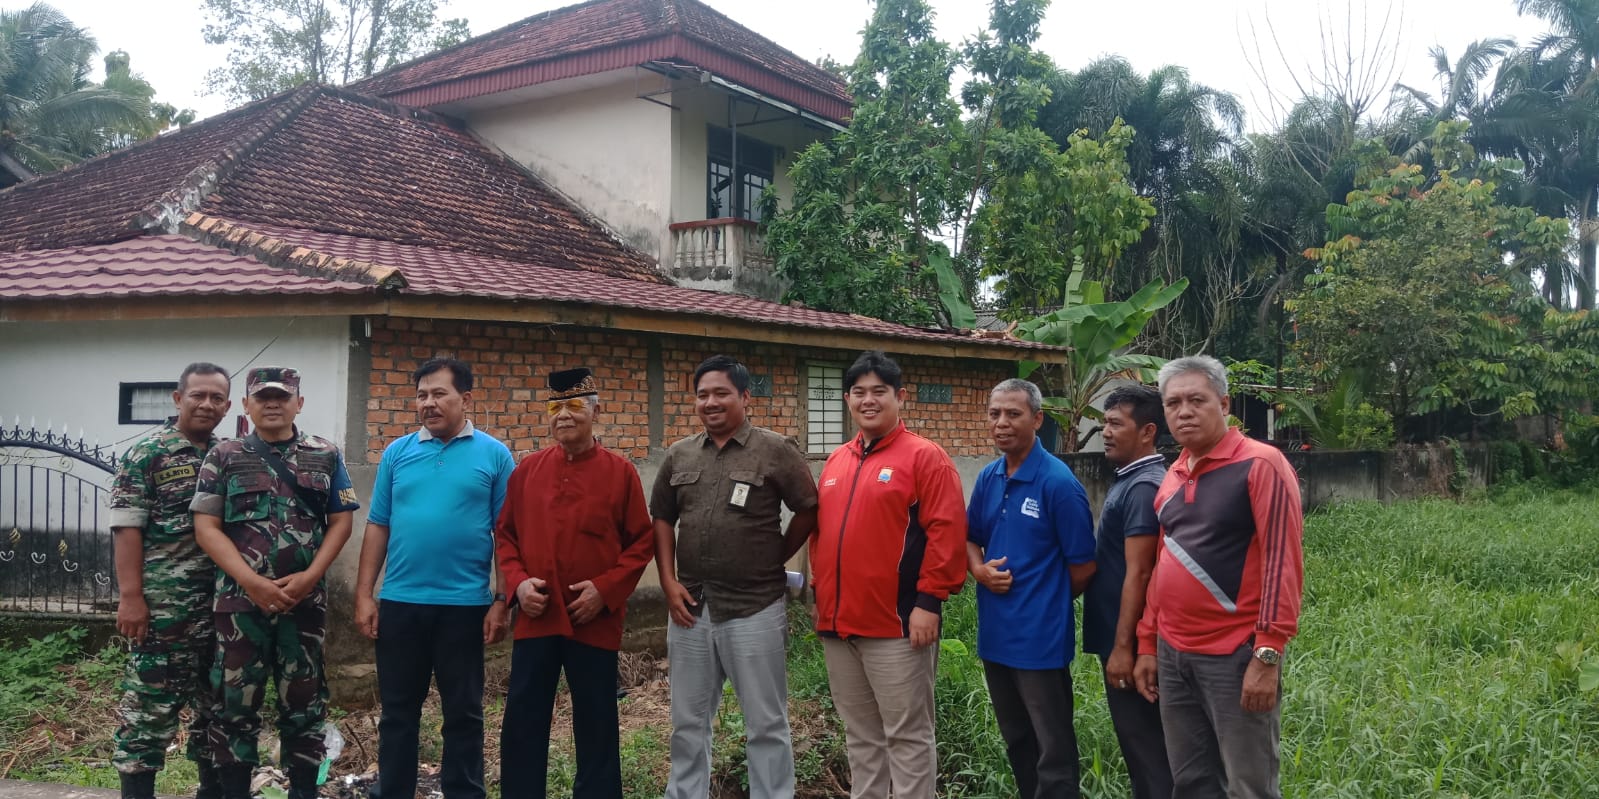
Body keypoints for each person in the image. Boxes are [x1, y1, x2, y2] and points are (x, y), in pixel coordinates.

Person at [1132, 356, 1304, 799]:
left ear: (1224, 403)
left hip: (1234, 654)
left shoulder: (1261, 465)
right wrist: (1149, 642)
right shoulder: (1173, 472)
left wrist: (1267, 656)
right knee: (1190, 782)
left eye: (1196, 400)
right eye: (1173, 403)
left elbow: (1282, 563)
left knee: (1249, 784)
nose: (1183, 411)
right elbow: (1164, 561)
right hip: (1174, 656)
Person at [651, 355, 819, 799]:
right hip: (690, 607)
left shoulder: (775, 450)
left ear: (745, 396)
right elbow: (663, 520)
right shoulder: (679, 454)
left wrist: (776, 556)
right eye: (702, 394)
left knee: (765, 722)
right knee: (688, 722)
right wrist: (668, 582)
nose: (711, 402)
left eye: (721, 392)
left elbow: (808, 508)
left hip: (754, 607)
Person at [192, 366, 360, 799]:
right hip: (239, 606)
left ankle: (303, 792)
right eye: (262, 397)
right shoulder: (225, 456)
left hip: (303, 606)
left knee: (304, 704)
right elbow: (207, 527)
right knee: (234, 706)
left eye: (282, 397)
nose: (272, 403)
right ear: (246, 405)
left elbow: (341, 521)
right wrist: (252, 582)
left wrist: (310, 576)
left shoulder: (325, 454)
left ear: (298, 404)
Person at [354, 357, 515, 799]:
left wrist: (502, 599)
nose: (428, 403)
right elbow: (378, 524)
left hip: (464, 606)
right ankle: (395, 791)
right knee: (398, 713)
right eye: (422, 395)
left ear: (465, 398)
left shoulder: (495, 455)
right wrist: (365, 595)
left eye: (439, 394)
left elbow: (507, 533)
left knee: (463, 712)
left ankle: (464, 791)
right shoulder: (397, 453)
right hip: (402, 603)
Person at [810, 350, 967, 799]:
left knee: (908, 736)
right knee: (860, 737)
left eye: (879, 391)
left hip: (898, 625)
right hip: (839, 627)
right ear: (847, 399)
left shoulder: (925, 458)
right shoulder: (837, 461)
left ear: (901, 397)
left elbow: (947, 534)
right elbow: (821, 536)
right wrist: (821, 594)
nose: (868, 400)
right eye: (859, 392)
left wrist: (929, 603)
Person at [495, 367, 654, 799]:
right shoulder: (527, 472)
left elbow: (642, 541)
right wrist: (518, 585)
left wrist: (605, 589)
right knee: (524, 722)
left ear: (595, 411)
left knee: (597, 724)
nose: (563, 415)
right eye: (555, 407)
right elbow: (505, 536)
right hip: (536, 618)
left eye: (574, 406)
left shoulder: (620, 474)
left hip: (593, 621)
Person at [965, 378, 1095, 798]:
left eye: (1013, 414)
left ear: (1037, 419)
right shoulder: (989, 477)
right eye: (994, 413)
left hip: (1039, 641)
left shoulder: (1058, 484)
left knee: (1052, 747)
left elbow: (1084, 566)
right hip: (995, 636)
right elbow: (970, 538)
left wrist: (1045, 600)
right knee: (1017, 738)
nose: (1001, 423)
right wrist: (979, 571)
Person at [109, 362, 233, 799]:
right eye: (198, 395)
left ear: (228, 406)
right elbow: (127, 527)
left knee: (217, 711)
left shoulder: (227, 455)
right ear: (178, 399)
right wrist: (130, 597)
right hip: (164, 612)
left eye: (216, 397)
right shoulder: (148, 454)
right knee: (149, 711)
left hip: (221, 611)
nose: (206, 404)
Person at [1081, 384, 1173, 798]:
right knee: (1143, 750)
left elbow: (1139, 574)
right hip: (1127, 640)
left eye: (1117, 424)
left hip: (1133, 646)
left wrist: (1124, 648)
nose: (1106, 432)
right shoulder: (1133, 478)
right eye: (1105, 423)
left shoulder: (1142, 487)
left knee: (1148, 751)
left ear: (1148, 431)